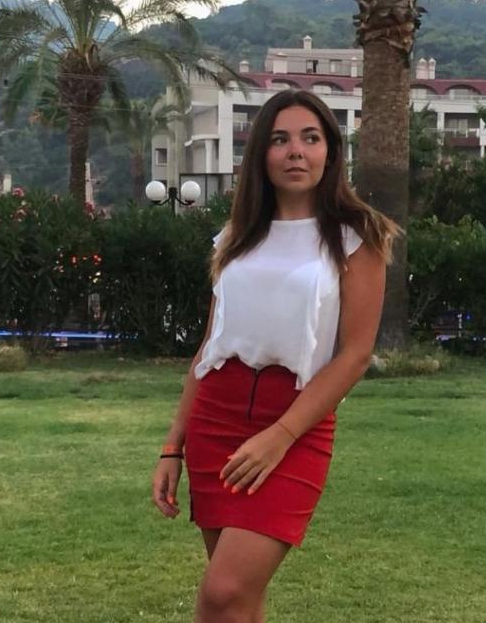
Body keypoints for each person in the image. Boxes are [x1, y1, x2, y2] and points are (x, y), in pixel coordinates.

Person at [151, 89, 398, 623]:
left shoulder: (357, 237)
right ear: (262, 153)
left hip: (294, 425)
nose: (296, 152)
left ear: (330, 152)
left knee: (222, 593)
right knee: (241, 603)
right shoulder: (236, 237)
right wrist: (174, 445)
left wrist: (280, 435)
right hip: (216, 418)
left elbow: (354, 355)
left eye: (310, 139)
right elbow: (209, 346)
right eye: (280, 140)